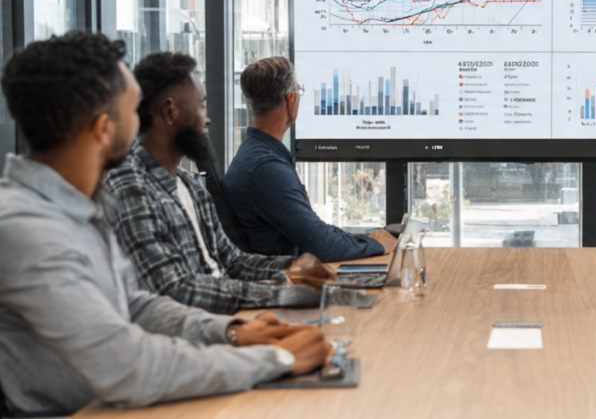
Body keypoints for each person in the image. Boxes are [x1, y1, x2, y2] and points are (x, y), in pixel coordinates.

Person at [0, 32, 329, 414]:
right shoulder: (27, 228)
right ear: (104, 128)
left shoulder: (78, 206)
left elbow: (137, 307)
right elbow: (125, 365)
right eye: (132, 108)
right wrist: (276, 360)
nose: (139, 120)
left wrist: (231, 331)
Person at [104, 53, 335, 315]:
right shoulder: (130, 185)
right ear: (171, 111)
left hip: (229, 316)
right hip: (201, 329)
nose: (207, 119)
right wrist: (284, 294)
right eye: (201, 106)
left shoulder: (190, 185)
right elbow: (176, 290)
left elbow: (233, 261)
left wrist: (293, 265)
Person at [223, 56, 397, 261]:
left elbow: (313, 229)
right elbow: (320, 245)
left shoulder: (255, 155)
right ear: (291, 99)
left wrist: (362, 239)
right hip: (285, 281)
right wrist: (376, 244)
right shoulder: (266, 169)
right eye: (299, 91)